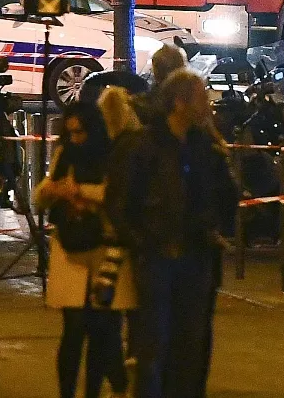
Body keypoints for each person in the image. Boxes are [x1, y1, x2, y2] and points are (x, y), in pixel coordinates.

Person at [110, 69, 237, 398]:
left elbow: (225, 196)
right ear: (180, 103)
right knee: (153, 345)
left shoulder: (205, 147)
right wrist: (142, 244)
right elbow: (122, 202)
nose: (208, 104)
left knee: (191, 347)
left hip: (196, 257)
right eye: (201, 97)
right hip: (157, 258)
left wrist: (215, 230)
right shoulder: (145, 146)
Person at [39, 102, 135, 398]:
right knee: (73, 331)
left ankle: (100, 388)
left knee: (102, 332)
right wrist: (53, 191)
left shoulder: (113, 155)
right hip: (71, 247)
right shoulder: (63, 154)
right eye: (70, 133)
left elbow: (116, 195)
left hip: (103, 250)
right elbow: (41, 194)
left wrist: (80, 191)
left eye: (80, 132)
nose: (75, 138)